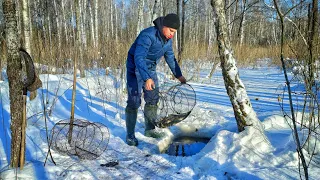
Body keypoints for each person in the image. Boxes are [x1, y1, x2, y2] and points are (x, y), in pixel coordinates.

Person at [125, 13, 186, 146]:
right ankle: (130, 135)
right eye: (171, 30)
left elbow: (170, 58)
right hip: (134, 68)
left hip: (150, 68)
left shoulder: (168, 41)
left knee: (153, 98)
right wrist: (146, 78)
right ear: (164, 26)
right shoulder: (147, 35)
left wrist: (179, 75)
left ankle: (149, 130)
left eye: (174, 32)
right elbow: (139, 57)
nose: (172, 34)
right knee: (134, 101)